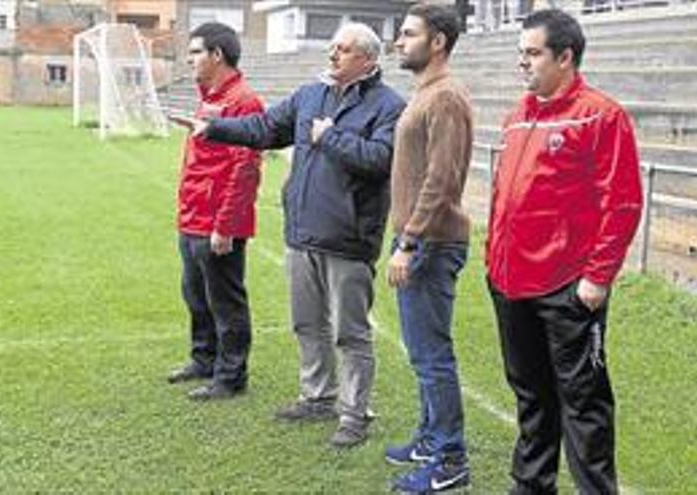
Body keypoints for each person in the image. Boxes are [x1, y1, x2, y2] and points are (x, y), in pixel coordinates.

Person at [179, 23, 406, 447]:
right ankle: (317, 396)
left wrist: (330, 136)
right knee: (307, 324)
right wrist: (215, 129)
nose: (333, 54)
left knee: (350, 332)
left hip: (348, 238)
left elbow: (381, 160)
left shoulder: (388, 105)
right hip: (303, 233)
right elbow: (264, 128)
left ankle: (354, 415)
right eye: (333, 47)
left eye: (343, 49)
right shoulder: (310, 94)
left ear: (368, 60)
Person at [486, 9, 643, 494]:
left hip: (566, 288)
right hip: (510, 283)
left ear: (565, 56)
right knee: (530, 393)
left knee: (583, 400)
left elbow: (622, 202)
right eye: (520, 54)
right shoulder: (518, 116)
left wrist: (597, 278)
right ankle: (532, 485)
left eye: (532, 53)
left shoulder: (600, 114)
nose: (523, 64)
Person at [384, 4, 475, 493]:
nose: (399, 41)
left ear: (437, 41)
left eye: (409, 34)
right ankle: (428, 437)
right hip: (419, 242)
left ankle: (450, 457)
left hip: (431, 245)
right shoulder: (426, 94)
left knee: (431, 356)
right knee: (423, 354)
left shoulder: (445, 98)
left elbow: (441, 180)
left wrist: (409, 240)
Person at [165, 22, 264, 402]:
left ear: (216, 55)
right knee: (195, 295)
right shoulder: (208, 96)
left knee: (226, 300)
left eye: (195, 52)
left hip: (217, 224)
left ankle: (231, 375)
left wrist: (225, 226)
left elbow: (245, 171)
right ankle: (203, 359)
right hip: (191, 217)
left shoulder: (244, 102)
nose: (189, 60)